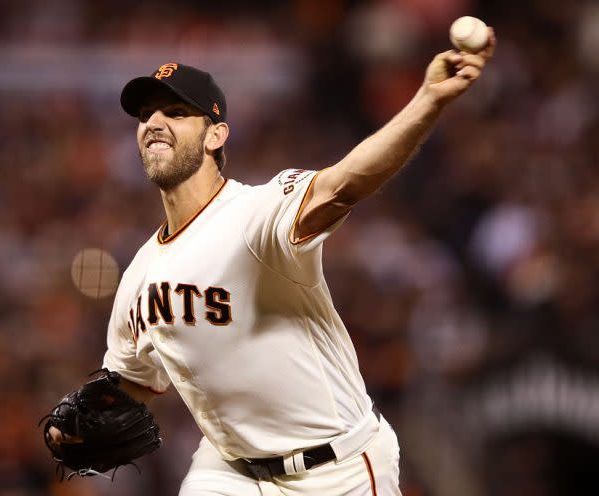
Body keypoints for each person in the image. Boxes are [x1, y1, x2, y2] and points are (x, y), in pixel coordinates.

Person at [51, 30, 496, 495]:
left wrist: (427, 100)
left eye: (177, 112)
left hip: (336, 467)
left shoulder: (256, 213)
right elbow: (132, 382)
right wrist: (85, 420)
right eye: (146, 115)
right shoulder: (138, 276)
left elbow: (345, 184)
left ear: (215, 135)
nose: (154, 122)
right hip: (228, 472)